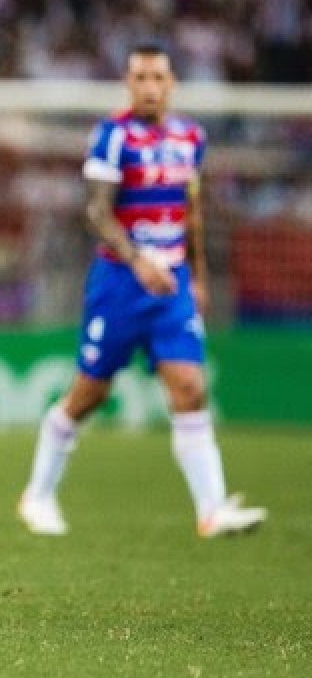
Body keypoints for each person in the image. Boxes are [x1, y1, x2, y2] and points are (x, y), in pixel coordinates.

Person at [17, 43, 267, 538]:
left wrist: (197, 275)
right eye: (140, 78)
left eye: (158, 77)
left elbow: (190, 211)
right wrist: (138, 260)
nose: (150, 87)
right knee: (90, 392)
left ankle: (212, 509)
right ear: (129, 84)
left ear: (171, 82)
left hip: (171, 284)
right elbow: (96, 212)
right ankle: (38, 495)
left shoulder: (190, 137)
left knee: (190, 388)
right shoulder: (112, 136)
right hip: (120, 283)